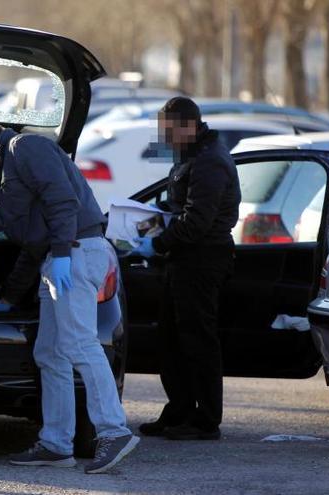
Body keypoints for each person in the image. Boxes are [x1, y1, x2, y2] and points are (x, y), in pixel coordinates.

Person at [0, 120, 139, 475]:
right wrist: (9, 297)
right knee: (50, 352)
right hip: (59, 258)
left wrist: (65, 253)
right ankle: (56, 443)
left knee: (80, 344)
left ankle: (114, 432)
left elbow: (61, 199)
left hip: (76, 251)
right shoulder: (12, 166)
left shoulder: (24, 148)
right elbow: (33, 243)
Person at [131, 96, 241, 441]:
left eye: (168, 131)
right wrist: (151, 220)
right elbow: (181, 207)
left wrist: (158, 243)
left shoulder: (209, 161)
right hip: (184, 259)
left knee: (197, 340)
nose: (164, 138)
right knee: (172, 340)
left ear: (188, 126)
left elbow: (196, 222)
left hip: (202, 259)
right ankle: (179, 410)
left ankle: (205, 420)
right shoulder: (193, 155)